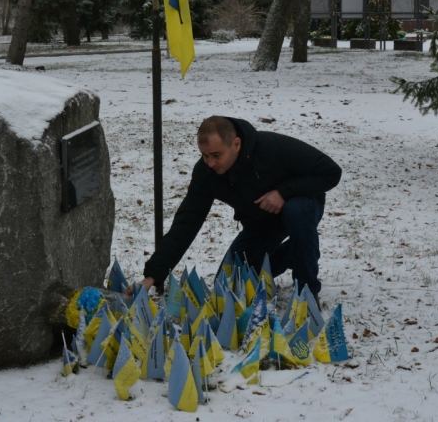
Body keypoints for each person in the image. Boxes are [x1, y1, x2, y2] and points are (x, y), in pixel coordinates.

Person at [126, 116, 342, 299]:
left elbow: (331, 172)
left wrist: (283, 193)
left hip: (301, 206)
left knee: (296, 211)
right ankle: (295, 253)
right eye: (204, 155)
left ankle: (306, 293)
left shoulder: (272, 147)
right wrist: (152, 276)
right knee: (229, 284)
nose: (210, 163)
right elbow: (186, 222)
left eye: (216, 155)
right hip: (260, 223)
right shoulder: (206, 173)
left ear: (236, 144)